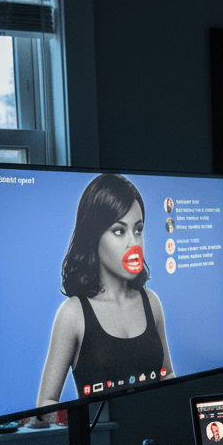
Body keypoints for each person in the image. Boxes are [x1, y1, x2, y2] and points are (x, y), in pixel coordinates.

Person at [38, 174, 174, 407]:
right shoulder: (73, 314)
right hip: (102, 440)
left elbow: (167, 375)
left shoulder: (151, 302)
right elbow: (47, 401)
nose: (134, 243)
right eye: (119, 231)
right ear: (93, 236)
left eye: (138, 230)